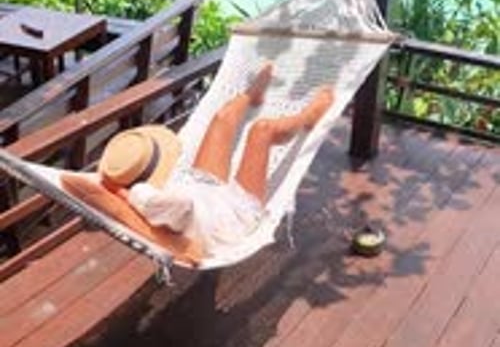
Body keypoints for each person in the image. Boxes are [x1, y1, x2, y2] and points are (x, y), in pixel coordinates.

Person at [61, 64, 333, 265]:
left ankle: (253, 94)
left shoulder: (155, 194)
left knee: (222, 118)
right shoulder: (154, 201)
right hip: (234, 213)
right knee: (262, 130)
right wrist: (127, 193)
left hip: (202, 190)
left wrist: (114, 186)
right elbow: (172, 205)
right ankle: (307, 117)